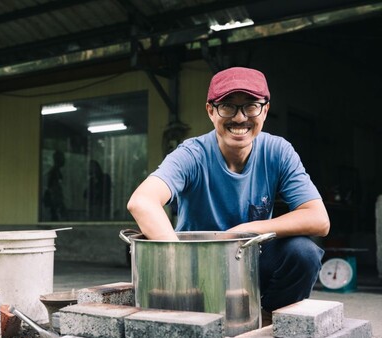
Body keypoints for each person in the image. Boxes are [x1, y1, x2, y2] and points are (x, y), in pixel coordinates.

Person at [127, 66, 330, 321]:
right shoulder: (192, 154)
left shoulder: (278, 151)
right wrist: (178, 268)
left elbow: (319, 220)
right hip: (196, 271)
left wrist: (246, 230)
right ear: (211, 111)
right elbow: (142, 202)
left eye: (251, 106)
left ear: (265, 110)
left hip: (251, 262)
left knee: (304, 253)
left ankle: (265, 323)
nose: (240, 117)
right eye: (228, 106)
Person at [44, 150, 66, 221]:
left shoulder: (56, 171)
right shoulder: (54, 172)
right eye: (62, 158)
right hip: (55, 199)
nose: (64, 160)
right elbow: (52, 187)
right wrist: (57, 199)